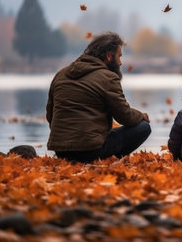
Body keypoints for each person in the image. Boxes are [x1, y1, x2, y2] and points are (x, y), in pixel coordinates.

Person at [46, 31, 151, 163]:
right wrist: (141, 115)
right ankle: (110, 160)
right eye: (119, 56)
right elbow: (125, 117)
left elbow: (50, 115)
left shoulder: (60, 74)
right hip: (91, 151)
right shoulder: (108, 77)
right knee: (143, 127)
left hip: (61, 150)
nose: (120, 62)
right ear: (108, 56)